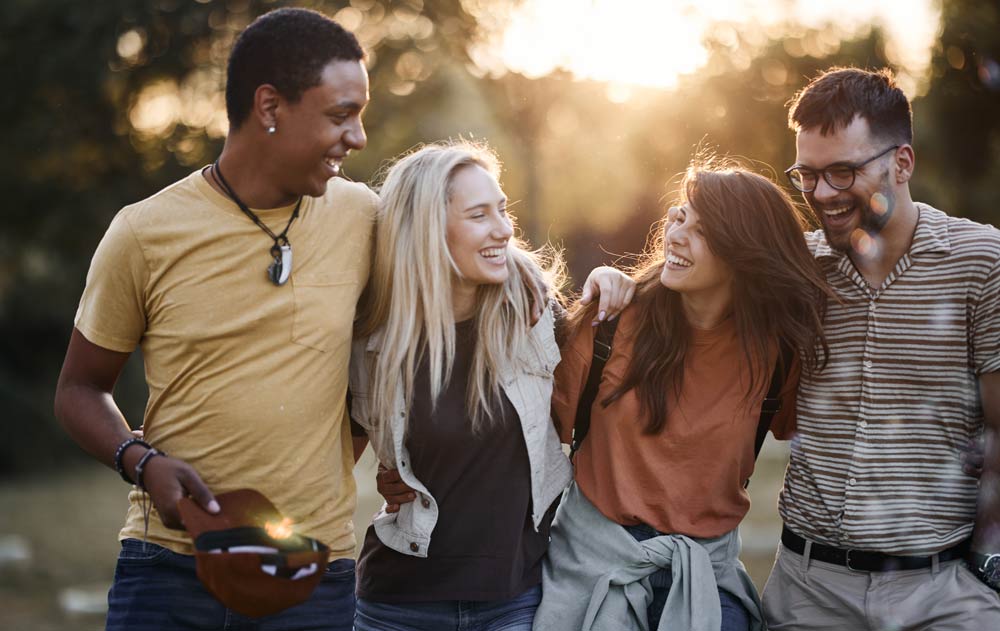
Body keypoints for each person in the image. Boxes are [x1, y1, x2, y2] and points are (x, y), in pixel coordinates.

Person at [54, 8, 374, 630]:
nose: (358, 137)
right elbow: (77, 388)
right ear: (270, 106)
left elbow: (471, 272)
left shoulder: (366, 219)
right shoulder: (144, 232)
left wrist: (609, 284)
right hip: (170, 573)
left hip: (315, 574)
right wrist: (142, 462)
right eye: (341, 114)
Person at [527, 161, 830, 631]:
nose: (676, 234)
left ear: (743, 253)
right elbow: (531, 430)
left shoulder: (778, 356)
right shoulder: (608, 324)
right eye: (679, 216)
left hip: (705, 574)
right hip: (592, 567)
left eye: (702, 229)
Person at [347, 141, 632, 631]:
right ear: (427, 232)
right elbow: (332, 466)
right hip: (396, 605)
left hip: (514, 599)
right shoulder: (373, 342)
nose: (503, 229)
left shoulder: (536, 318)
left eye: (502, 210)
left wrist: (615, 282)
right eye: (479, 215)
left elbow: (614, 408)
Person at [761, 66, 1000, 630]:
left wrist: (989, 560)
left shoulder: (982, 262)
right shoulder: (797, 267)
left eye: (842, 172)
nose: (822, 194)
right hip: (807, 591)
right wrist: (615, 279)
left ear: (902, 162)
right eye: (808, 176)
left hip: (943, 594)